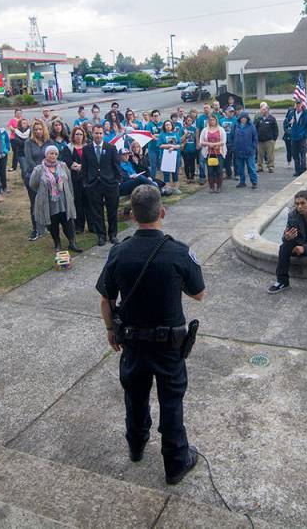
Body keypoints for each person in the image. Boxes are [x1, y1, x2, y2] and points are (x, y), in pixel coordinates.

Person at [96, 184, 206, 485]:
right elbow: (199, 294)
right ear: (162, 212)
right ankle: (175, 463)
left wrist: (109, 330)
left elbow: (106, 299)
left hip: (132, 341)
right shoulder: (178, 251)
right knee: (171, 402)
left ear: (132, 215)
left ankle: (136, 445)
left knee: (135, 397)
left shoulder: (119, 252)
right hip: (168, 343)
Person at [29, 145, 82, 252]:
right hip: (49, 201)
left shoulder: (63, 166)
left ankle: (72, 242)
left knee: (68, 221)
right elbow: (33, 185)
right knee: (53, 223)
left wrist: (71, 197)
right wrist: (44, 191)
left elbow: (69, 182)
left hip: (64, 200)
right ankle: (57, 243)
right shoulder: (39, 169)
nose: (53, 155)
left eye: (55, 154)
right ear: (46, 155)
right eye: (51, 153)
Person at [82, 125, 122, 246]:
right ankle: (101, 235)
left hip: (110, 184)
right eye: (96, 133)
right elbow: (84, 168)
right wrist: (86, 183)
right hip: (94, 185)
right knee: (97, 212)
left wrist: (117, 181)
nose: (98, 136)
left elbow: (116, 166)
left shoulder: (111, 148)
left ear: (103, 134)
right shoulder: (87, 149)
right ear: (92, 134)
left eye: (100, 133)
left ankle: (113, 234)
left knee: (112, 211)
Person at [21, 120, 51, 240]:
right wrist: (40, 172)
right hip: (33, 176)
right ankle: (36, 228)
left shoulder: (49, 142)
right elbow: (29, 159)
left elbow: (52, 157)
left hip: (48, 176)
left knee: (47, 202)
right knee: (35, 203)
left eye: (40, 129)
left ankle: (48, 225)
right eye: (36, 129)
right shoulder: (28, 142)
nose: (38, 131)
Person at [67, 126, 90, 234]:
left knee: (89, 202)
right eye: (77, 134)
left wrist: (83, 166)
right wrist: (73, 165)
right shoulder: (69, 147)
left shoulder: (88, 147)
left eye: (81, 134)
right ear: (73, 135)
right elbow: (65, 160)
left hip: (87, 179)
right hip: (75, 179)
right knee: (78, 202)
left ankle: (92, 225)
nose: (79, 136)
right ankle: (79, 226)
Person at [199, 114, 227, 193]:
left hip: (219, 153)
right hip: (209, 153)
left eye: (213, 120)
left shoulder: (221, 129)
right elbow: (201, 142)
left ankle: (219, 186)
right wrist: (209, 144)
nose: (212, 121)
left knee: (219, 170)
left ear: (216, 120)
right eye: (210, 120)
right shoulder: (205, 130)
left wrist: (216, 145)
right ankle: (211, 186)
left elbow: (224, 141)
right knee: (210, 170)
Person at [233, 110, 258, 189]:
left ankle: (254, 182)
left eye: (245, 118)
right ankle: (242, 182)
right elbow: (233, 136)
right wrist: (234, 147)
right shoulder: (236, 126)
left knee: (251, 167)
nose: (243, 119)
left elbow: (255, 138)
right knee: (240, 168)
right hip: (238, 151)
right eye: (242, 117)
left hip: (249, 151)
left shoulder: (251, 126)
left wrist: (252, 148)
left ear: (247, 118)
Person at [157, 120, 182, 193]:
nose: (168, 126)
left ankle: (176, 188)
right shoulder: (162, 134)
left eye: (169, 125)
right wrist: (169, 146)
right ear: (164, 126)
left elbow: (179, 144)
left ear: (172, 126)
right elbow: (160, 145)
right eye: (166, 125)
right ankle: (167, 187)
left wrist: (173, 147)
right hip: (166, 156)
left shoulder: (176, 134)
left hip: (175, 156)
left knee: (175, 172)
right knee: (166, 172)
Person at [289, 101, 307, 175]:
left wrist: (305, 135)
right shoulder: (292, 113)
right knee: (295, 155)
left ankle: (303, 170)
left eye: (299, 104)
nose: (298, 106)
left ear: (302, 105)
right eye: (297, 104)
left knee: (302, 154)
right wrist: (290, 123)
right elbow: (286, 123)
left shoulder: (306, 113)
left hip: (302, 137)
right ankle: (297, 171)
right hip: (294, 137)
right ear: (295, 105)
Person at [255, 103, 279, 171]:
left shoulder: (272, 118)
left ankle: (270, 166)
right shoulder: (258, 119)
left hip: (269, 140)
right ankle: (259, 167)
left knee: (270, 155)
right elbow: (255, 128)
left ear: (268, 110)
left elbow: (275, 130)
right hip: (260, 140)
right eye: (262, 109)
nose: (263, 111)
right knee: (259, 155)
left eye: (264, 109)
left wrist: (274, 139)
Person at [180, 115, 199, 183]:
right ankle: (188, 177)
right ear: (185, 121)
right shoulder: (182, 129)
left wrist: (197, 146)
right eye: (188, 120)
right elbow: (180, 140)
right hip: (185, 149)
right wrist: (185, 134)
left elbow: (197, 139)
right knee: (186, 164)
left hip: (192, 149)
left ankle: (192, 177)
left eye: (190, 120)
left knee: (192, 163)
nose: (189, 122)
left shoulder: (195, 129)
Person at [220, 107, 237, 180]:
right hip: (225, 143)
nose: (231, 113)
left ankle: (237, 174)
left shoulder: (236, 120)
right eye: (230, 111)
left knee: (236, 159)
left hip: (234, 142)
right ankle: (228, 173)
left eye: (232, 112)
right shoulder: (221, 120)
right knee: (226, 159)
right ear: (226, 112)